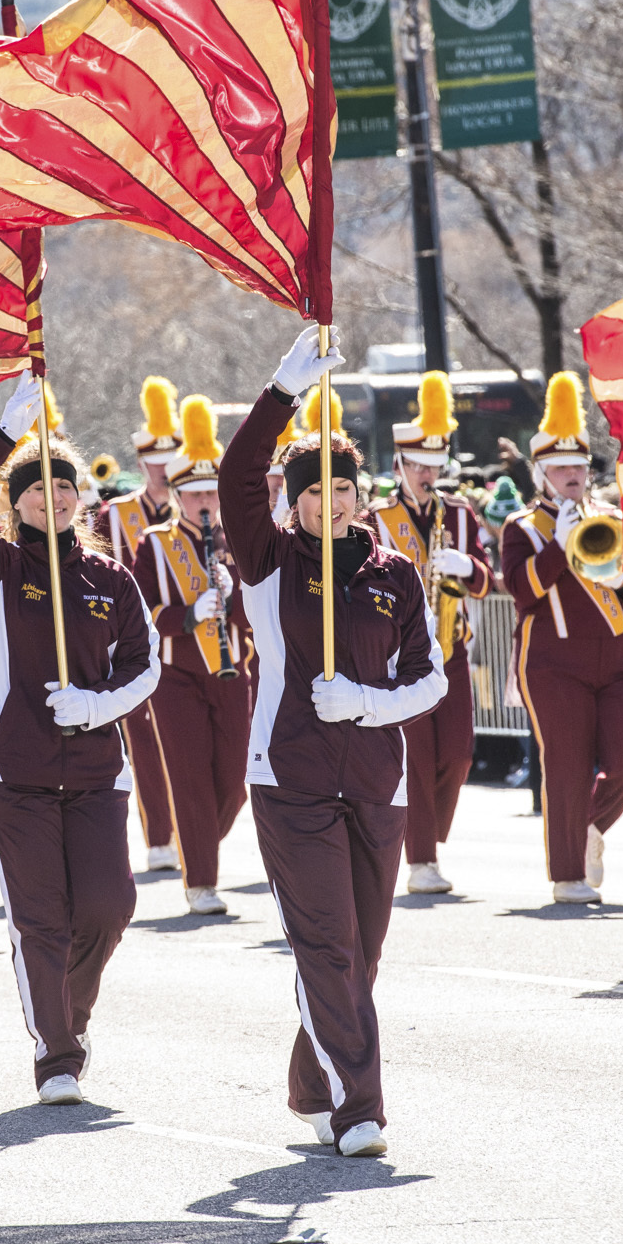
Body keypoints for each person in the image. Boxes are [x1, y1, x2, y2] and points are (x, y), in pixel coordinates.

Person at [219, 327, 445, 1159]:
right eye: (314, 492)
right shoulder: (270, 559)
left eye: (342, 489)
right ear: (296, 498)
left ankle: (313, 1082)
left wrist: (367, 701)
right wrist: (283, 389)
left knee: (363, 950)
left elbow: (432, 680)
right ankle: (360, 1108)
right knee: (326, 941)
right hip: (290, 777)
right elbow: (235, 475)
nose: (330, 503)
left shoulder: (392, 572)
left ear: (359, 491)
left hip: (378, 780)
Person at [0, 375, 159, 1106]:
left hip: (96, 768)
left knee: (106, 905)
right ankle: (54, 1054)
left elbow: (145, 665)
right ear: (15, 501)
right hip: (15, 769)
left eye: (63, 488)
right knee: (40, 915)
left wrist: (96, 707)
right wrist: (4, 436)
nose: (52, 499)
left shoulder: (110, 576)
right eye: (36, 490)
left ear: (79, 497)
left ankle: (71, 1014)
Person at [497, 373, 623, 904]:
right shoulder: (521, 529)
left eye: (579, 467)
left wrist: (621, 580)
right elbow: (523, 593)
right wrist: (557, 547)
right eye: (561, 468)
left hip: (614, 657)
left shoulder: (613, 519)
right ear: (542, 475)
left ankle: (587, 829)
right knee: (565, 766)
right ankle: (567, 874)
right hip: (552, 661)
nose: (572, 476)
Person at [369, 370, 494, 895]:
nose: (426, 475)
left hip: (453, 645)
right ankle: (421, 860)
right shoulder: (376, 518)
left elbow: (488, 580)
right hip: (402, 657)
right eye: (417, 465)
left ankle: (424, 839)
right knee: (416, 757)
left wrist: (467, 567)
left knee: (459, 753)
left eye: (433, 467)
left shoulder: (460, 514)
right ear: (399, 466)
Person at [130, 395, 253, 915]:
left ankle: (196, 841)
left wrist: (236, 591)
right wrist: (187, 613)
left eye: (211, 492)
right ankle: (200, 881)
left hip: (232, 672)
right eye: (195, 492)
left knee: (235, 781)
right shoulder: (154, 545)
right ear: (177, 496)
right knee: (190, 777)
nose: (205, 501)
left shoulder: (240, 542)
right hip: (177, 674)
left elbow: (259, 615)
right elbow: (138, 614)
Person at [96, 377, 182, 874]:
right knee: (146, 741)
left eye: (172, 460)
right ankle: (159, 836)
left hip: (188, 636)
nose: (166, 470)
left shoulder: (194, 508)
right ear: (143, 461)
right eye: (156, 461)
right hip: (130, 636)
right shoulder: (116, 514)